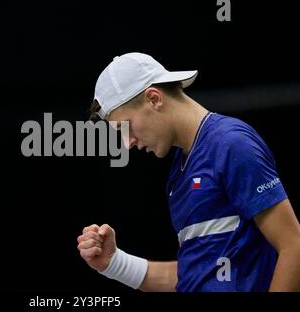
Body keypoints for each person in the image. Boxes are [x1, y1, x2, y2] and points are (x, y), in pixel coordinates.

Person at [77, 52, 300, 292]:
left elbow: (294, 245)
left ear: (154, 99)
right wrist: (114, 263)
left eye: (125, 127)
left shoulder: (231, 144)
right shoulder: (179, 172)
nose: (127, 143)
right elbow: (195, 276)